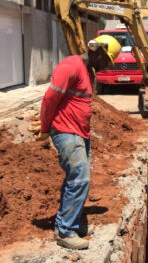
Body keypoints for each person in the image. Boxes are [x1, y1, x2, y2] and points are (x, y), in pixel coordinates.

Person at [35, 35, 121, 250]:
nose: (107, 66)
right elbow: (49, 99)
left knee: (75, 180)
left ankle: (66, 224)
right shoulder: (70, 67)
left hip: (80, 132)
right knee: (80, 179)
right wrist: (45, 128)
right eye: (107, 60)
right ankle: (65, 232)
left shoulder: (88, 72)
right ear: (98, 52)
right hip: (66, 131)